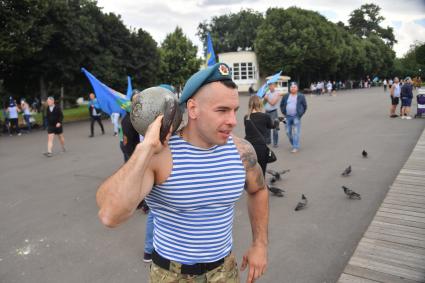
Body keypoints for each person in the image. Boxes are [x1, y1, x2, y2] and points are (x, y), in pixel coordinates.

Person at [96, 63, 269, 283]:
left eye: (234, 110)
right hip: (171, 275)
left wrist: (260, 245)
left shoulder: (242, 152)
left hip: (225, 271)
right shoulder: (161, 155)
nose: (233, 121)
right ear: (193, 108)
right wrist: (146, 149)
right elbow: (110, 215)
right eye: (222, 110)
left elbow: (259, 191)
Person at [244, 95, 274, 176]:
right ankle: (261, 187)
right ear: (260, 104)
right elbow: (270, 126)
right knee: (261, 171)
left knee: (251, 171)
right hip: (261, 146)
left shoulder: (246, 117)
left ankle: (252, 187)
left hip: (249, 147)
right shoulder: (265, 116)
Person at [280, 82, 307, 153]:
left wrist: (300, 114)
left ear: (297, 88)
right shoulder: (286, 96)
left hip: (296, 116)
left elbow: (305, 106)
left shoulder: (301, 96)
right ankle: (294, 143)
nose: (293, 88)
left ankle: (295, 146)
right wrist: (284, 112)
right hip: (287, 117)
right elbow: (282, 104)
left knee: (296, 132)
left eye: (294, 87)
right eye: (291, 87)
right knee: (287, 132)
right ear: (290, 88)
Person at [263, 82, 281, 147]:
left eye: (271, 85)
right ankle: (268, 141)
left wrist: (267, 98)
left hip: (274, 112)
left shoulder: (277, 93)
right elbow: (263, 104)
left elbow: (273, 103)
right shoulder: (267, 93)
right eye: (269, 85)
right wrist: (264, 99)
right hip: (267, 111)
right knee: (267, 127)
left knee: (275, 127)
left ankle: (275, 143)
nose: (270, 87)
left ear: (274, 86)